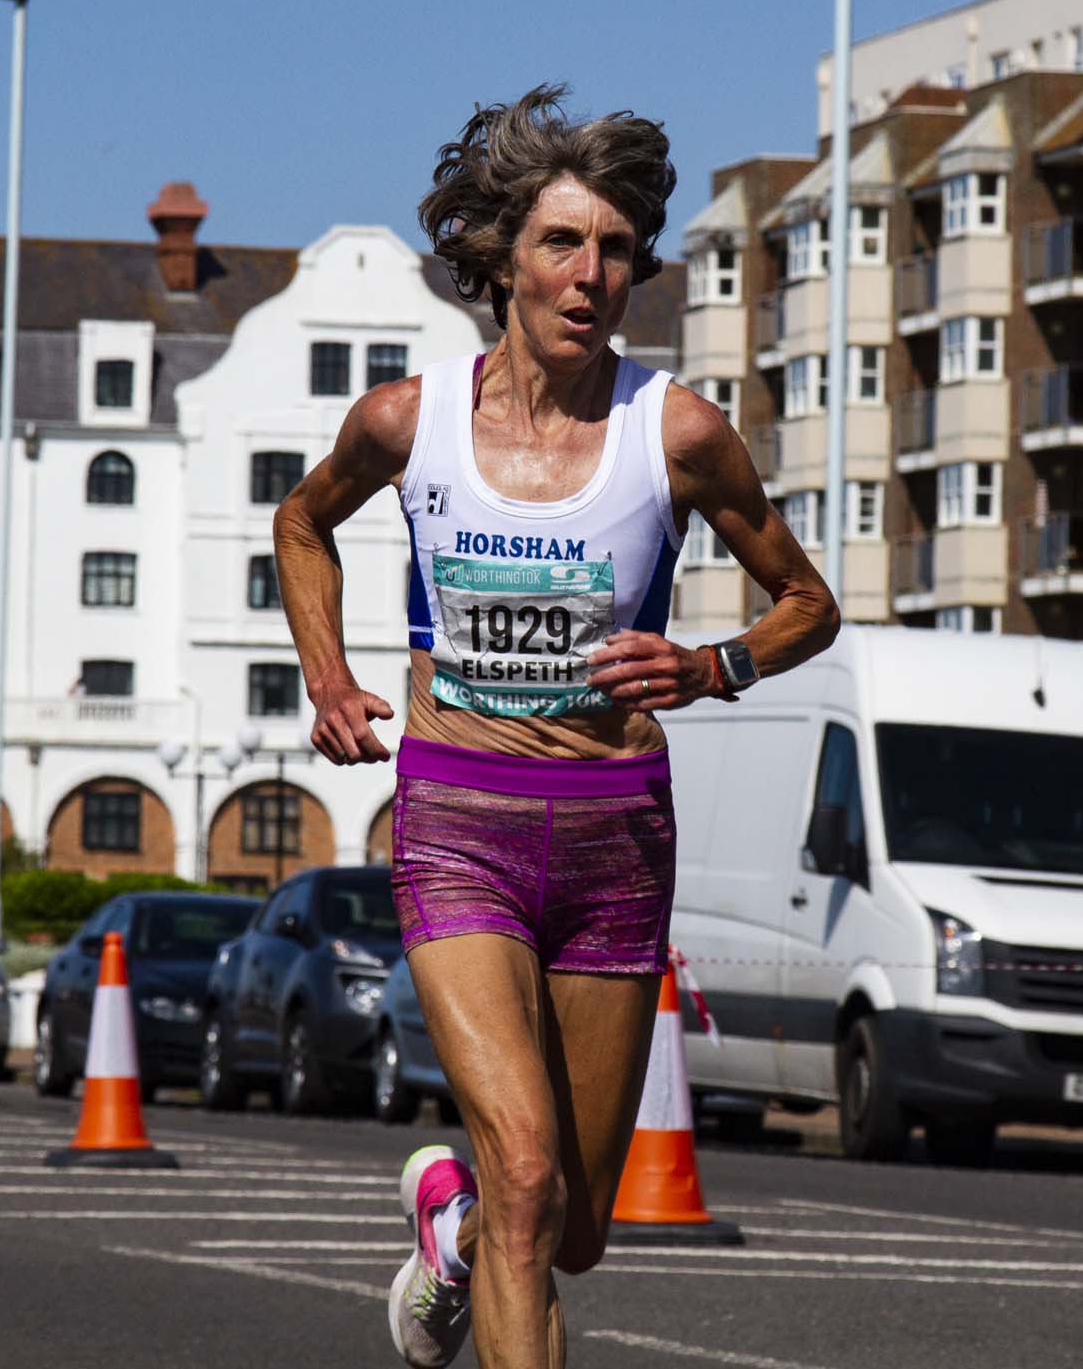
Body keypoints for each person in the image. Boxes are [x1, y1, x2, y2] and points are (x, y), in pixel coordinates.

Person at [273, 85, 840, 1369]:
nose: (591, 276)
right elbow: (302, 522)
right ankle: (490, 1212)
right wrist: (329, 676)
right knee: (528, 1173)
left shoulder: (676, 433)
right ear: (501, 261)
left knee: (571, 1225)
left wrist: (709, 664)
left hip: (614, 837)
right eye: (561, 244)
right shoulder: (408, 421)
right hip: (457, 823)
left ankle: (453, 1224)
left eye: (616, 249)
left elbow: (809, 604)